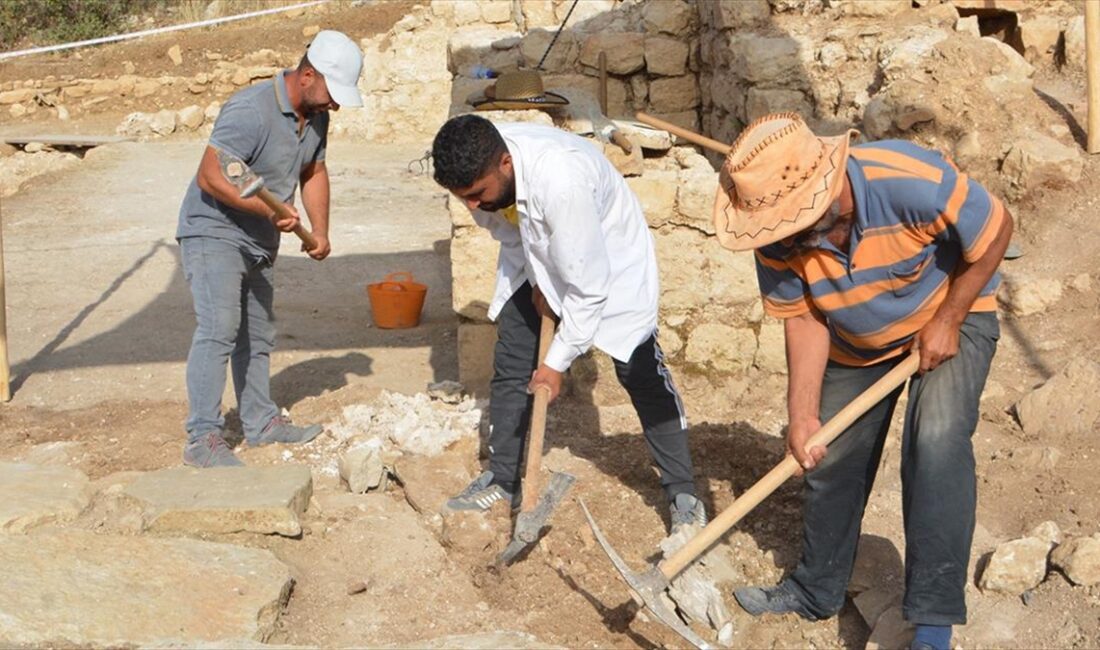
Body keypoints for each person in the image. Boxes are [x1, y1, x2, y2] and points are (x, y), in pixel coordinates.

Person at [715, 113, 1012, 650]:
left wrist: (947, 320)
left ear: (828, 194)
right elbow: (804, 318)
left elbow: (997, 228)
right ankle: (815, 591)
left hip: (951, 314)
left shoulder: (907, 180)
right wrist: (803, 414)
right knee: (826, 456)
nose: (784, 241)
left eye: (793, 225)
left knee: (936, 441)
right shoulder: (775, 237)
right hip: (856, 341)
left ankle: (932, 622)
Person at [430, 114, 705, 531]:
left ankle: (683, 491)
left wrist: (556, 364)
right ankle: (503, 478)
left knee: (638, 367)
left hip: (606, 255)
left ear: (505, 163)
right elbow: (507, 231)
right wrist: (540, 278)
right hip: (536, 251)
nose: (471, 205)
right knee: (512, 359)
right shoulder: (480, 182)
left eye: (476, 194)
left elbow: (589, 289)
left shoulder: (562, 181)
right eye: (462, 196)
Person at [176, 30, 364, 467]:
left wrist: (321, 229)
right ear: (307, 75)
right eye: (331, 93)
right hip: (213, 229)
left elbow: (313, 170)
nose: (335, 104)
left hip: (261, 237)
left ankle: (260, 422)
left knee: (257, 333)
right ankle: (202, 437)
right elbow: (211, 175)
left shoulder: (316, 116)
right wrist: (266, 213)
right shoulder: (250, 109)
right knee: (220, 326)